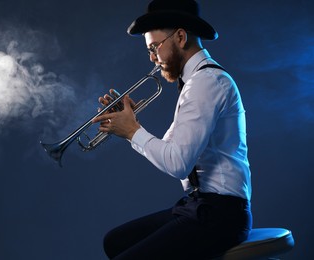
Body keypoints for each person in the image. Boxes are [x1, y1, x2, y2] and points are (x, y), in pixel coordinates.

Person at [92, 0, 252, 259]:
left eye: (155, 47)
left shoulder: (206, 83)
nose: (153, 59)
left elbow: (178, 163)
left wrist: (132, 131)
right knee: (115, 242)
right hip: (198, 205)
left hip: (221, 215)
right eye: (150, 52)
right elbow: (169, 152)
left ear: (180, 36)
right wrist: (132, 124)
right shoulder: (194, 81)